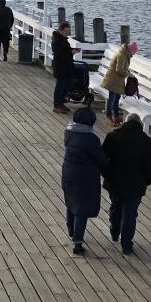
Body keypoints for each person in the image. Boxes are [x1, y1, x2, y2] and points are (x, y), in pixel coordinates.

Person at [102, 113, 151, 255]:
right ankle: (126, 245)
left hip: (115, 181)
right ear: (140, 124)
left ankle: (114, 232)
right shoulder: (146, 141)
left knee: (116, 207)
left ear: (125, 122)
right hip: (136, 184)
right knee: (130, 213)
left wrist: (107, 175)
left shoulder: (113, 136)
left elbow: (103, 158)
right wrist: (146, 181)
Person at [62, 108, 109, 255]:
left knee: (71, 200)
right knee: (81, 208)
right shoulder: (90, 138)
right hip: (85, 176)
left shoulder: (69, 132)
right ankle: (77, 242)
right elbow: (101, 159)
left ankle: (71, 227)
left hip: (68, 172)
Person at [100, 42, 138, 126]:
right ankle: (109, 117)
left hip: (116, 80)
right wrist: (128, 73)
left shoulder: (124, 54)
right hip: (113, 80)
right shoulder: (122, 55)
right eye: (134, 52)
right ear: (130, 50)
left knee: (116, 98)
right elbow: (119, 70)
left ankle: (115, 116)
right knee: (112, 99)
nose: (134, 54)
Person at [51, 22, 76, 114]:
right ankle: (56, 105)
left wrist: (72, 51)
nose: (66, 33)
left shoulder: (63, 39)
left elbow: (65, 50)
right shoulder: (57, 40)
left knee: (68, 83)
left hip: (66, 65)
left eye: (67, 32)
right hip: (60, 66)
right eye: (65, 31)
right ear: (60, 30)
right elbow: (60, 54)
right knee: (60, 85)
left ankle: (61, 102)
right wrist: (71, 52)